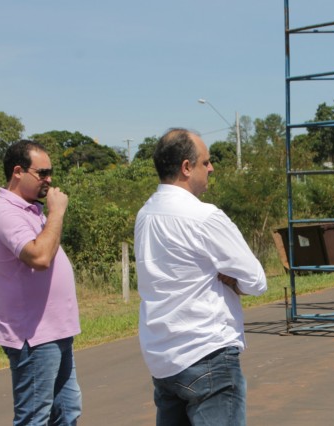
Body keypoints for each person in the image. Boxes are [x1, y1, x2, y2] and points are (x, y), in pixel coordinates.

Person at [135, 128, 268, 426]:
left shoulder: (145, 214)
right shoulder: (204, 216)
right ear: (186, 167)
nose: (211, 168)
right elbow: (256, 280)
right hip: (206, 352)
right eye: (205, 162)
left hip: (163, 357)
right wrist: (233, 280)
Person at [0, 140, 82, 425]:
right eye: (43, 173)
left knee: (66, 412)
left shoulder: (30, 210)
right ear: (17, 172)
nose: (49, 181)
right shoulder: (5, 213)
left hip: (54, 331)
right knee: (34, 418)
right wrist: (57, 213)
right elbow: (39, 257)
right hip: (34, 336)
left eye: (51, 173)